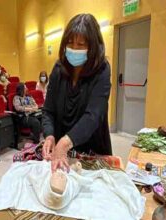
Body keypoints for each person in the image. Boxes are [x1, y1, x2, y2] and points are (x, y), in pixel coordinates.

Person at [42, 14, 112, 172]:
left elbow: (93, 116)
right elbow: (48, 110)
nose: (74, 48)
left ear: (93, 47)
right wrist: (49, 135)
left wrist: (65, 142)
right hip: (62, 153)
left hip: (92, 150)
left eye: (81, 45)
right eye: (70, 43)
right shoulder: (58, 69)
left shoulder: (102, 70)